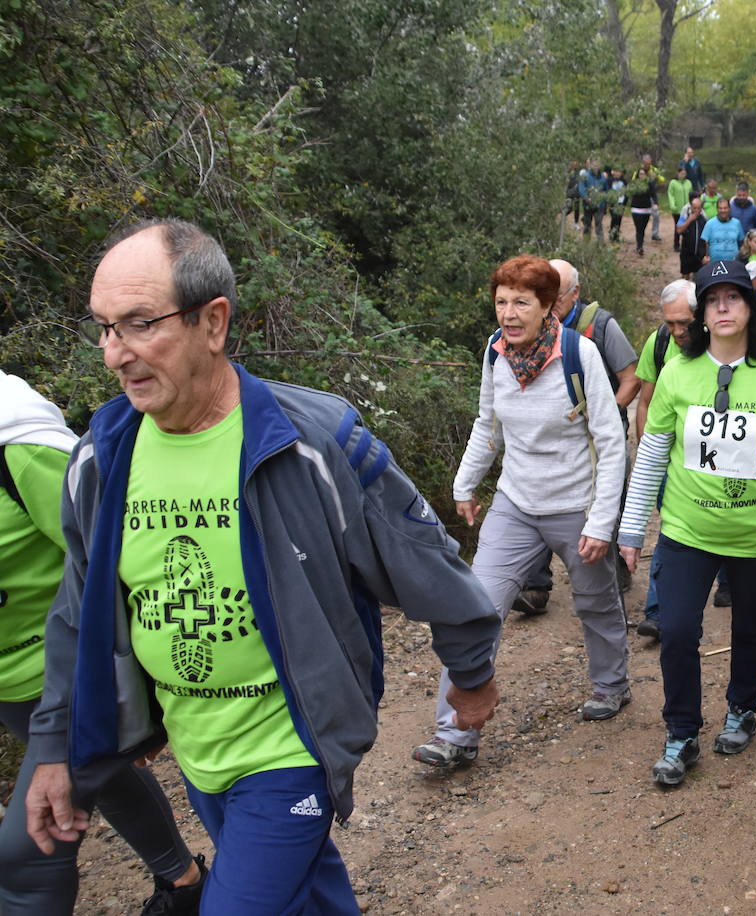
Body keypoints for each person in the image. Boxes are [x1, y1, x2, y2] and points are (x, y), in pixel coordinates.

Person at [26, 218, 501, 913]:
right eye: (103, 327)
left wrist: (472, 671)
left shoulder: (311, 443)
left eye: (137, 325)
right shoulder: (101, 461)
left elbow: (423, 562)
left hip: (290, 750)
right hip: (197, 745)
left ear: (212, 322)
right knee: (305, 896)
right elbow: (77, 612)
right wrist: (53, 742)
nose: (113, 354)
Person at [0, 371, 205, 914]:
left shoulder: (17, 450)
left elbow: (102, 555)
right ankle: (184, 885)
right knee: (107, 782)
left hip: (64, 676)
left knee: (24, 853)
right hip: (9, 687)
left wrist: (143, 693)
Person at [415, 254, 629, 772]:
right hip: (515, 503)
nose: (509, 314)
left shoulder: (579, 354)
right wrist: (464, 484)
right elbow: (488, 424)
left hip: (575, 504)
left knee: (595, 602)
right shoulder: (495, 353)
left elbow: (610, 438)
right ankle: (455, 734)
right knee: (476, 610)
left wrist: (602, 522)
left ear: (548, 306)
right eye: (501, 302)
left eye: (521, 303)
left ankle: (611, 685)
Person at [619, 259, 756, 786]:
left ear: (750, 309)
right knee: (679, 629)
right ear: (702, 313)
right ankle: (681, 733)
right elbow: (653, 454)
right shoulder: (678, 373)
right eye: (713, 299)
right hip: (688, 531)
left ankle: (742, 709)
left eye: (734, 296)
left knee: (751, 626)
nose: (724, 306)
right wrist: (632, 527)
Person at [512, 259, 640, 615]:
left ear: (576, 293)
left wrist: (604, 418)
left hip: (598, 436)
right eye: (544, 295)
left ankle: (613, 569)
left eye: (557, 296)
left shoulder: (601, 326)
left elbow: (631, 378)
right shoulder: (531, 328)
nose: (549, 304)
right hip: (554, 440)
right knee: (537, 496)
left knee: (605, 499)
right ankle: (535, 586)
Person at [631, 279, 696, 639]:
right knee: (670, 529)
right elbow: (644, 401)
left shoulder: (716, 348)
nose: (677, 331)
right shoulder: (658, 344)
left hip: (708, 463)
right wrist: (647, 455)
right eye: (670, 323)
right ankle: (657, 611)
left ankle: (726, 577)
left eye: (684, 323)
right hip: (667, 461)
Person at [701, 198, 745, 263]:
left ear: (729, 208)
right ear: (717, 209)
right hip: (714, 264)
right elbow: (704, 243)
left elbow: (741, 242)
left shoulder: (737, 223)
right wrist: (705, 257)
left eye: (725, 208)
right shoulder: (710, 223)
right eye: (720, 208)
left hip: (733, 263)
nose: (723, 210)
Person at [676, 194, 709, 279]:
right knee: (685, 278)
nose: (697, 210)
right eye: (694, 208)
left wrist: (707, 255)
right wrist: (689, 220)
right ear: (691, 207)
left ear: (701, 208)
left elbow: (707, 239)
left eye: (699, 208)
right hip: (686, 253)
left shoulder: (704, 219)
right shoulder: (685, 216)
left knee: (699, 278)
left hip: (699, 255)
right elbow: (679, 230)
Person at [628, 166, 656, 256]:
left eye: (643, 174)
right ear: (637, 175)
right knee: (639, 228)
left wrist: (656, 203)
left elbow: (653, 194)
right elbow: (628, 193)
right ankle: (639, 246)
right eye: (640, 174)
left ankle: (640, 244)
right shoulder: (634, 183)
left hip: (646, 209)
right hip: (636, 209)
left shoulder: (649, 183)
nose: (642, 175)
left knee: (643, 228)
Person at [578, 158, 608, 240]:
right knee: (587, 225)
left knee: (599, 225)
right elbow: (581, 188)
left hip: (599, 205)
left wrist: (604, 200)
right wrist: (586, 197)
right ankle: (586, 244)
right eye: (594, 165)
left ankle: (600, 246)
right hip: (588, 205)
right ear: (590, 165)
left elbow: (606, 190)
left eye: (597, 165)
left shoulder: (603, 177)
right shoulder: (585, 176)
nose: (595, 167)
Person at [667, 167, 693, 252]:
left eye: (685, 173)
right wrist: (672, 205)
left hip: (687, 209)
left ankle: (687, 244)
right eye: (682, 173)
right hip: (677, 210)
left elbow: (691, 194)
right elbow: (670, 194)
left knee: (688, 226)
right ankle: (676, 245)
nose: (683, 175)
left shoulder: (688, 182)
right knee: (678, 227)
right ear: (678, 173)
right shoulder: (673, 183)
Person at [641, 152, 664, 242]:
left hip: (652, 196)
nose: (647, 165)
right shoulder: (639, 170)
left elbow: (662, 180)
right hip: (642, 197)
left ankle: (655, 234)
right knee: (643, 216)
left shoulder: (654, 170)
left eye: (649, 163)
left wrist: (656, 176)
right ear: (643, 162)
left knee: (656, 214)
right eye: (646, 163)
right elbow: (633, 180)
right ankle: (641, 233)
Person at [606, 166, 627, 243]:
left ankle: (616, 235)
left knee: (619, 219)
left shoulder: (624, 181)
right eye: (616, 171)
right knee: (614, 217)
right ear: (613, 172)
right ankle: (612, 234)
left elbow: (626, 193)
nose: (618, 173)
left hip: (621, 203)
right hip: (613, 203)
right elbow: (607, 191)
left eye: (619, 172)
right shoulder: (609, 180)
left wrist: (624, 203)